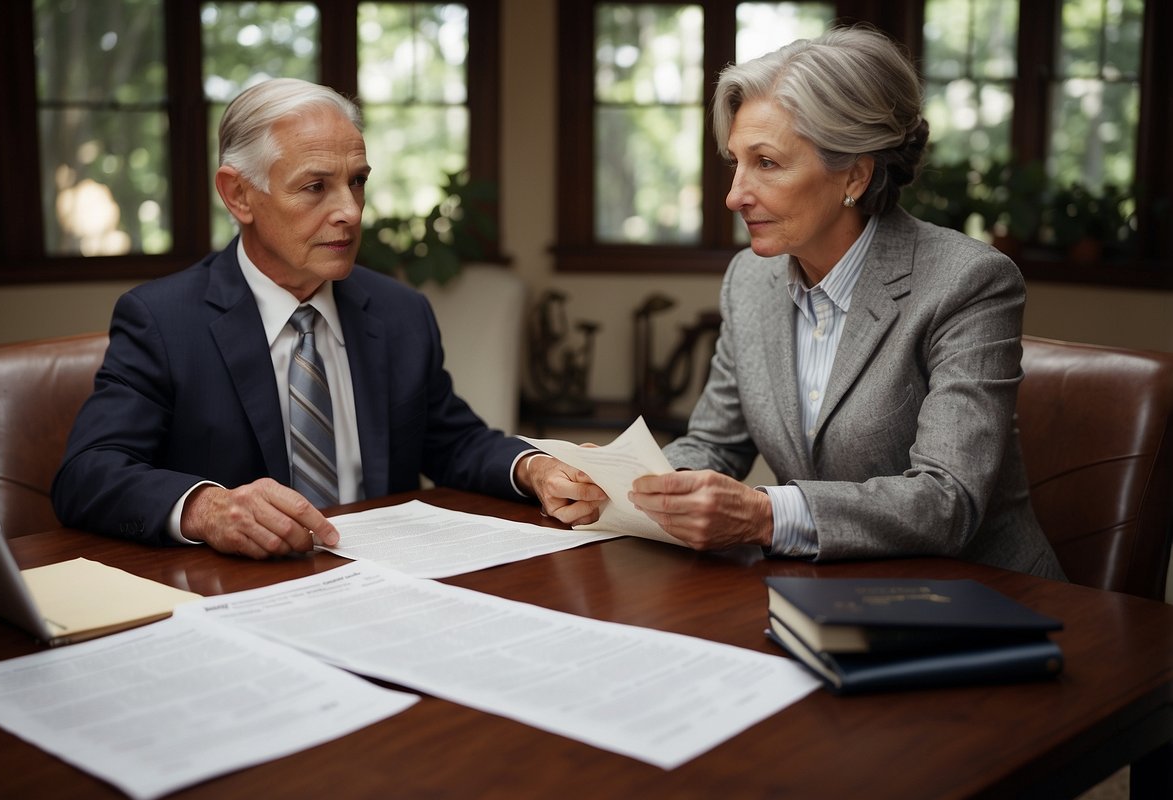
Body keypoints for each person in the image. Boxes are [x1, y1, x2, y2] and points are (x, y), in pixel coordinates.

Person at [52, 77, 602, 559]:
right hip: (240, 594)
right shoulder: (163, 321)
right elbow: (88, 474)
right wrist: (208, 507)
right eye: (316, 187)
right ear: (239, 194)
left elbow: (453, 443)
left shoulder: (399, 313)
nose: (350, 211)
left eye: (357, 181)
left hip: (389, 581)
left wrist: (537, 468)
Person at [625, 26, 1065, 580]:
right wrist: (627, 486)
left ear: (854, 174)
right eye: (735, 162)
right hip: (830, 591)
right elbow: (715, 443)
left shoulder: (968, 282)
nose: (734, 194)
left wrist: (764, 514)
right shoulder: (750, 280)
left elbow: (946, 501)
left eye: (766, 162)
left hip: (984, 602)